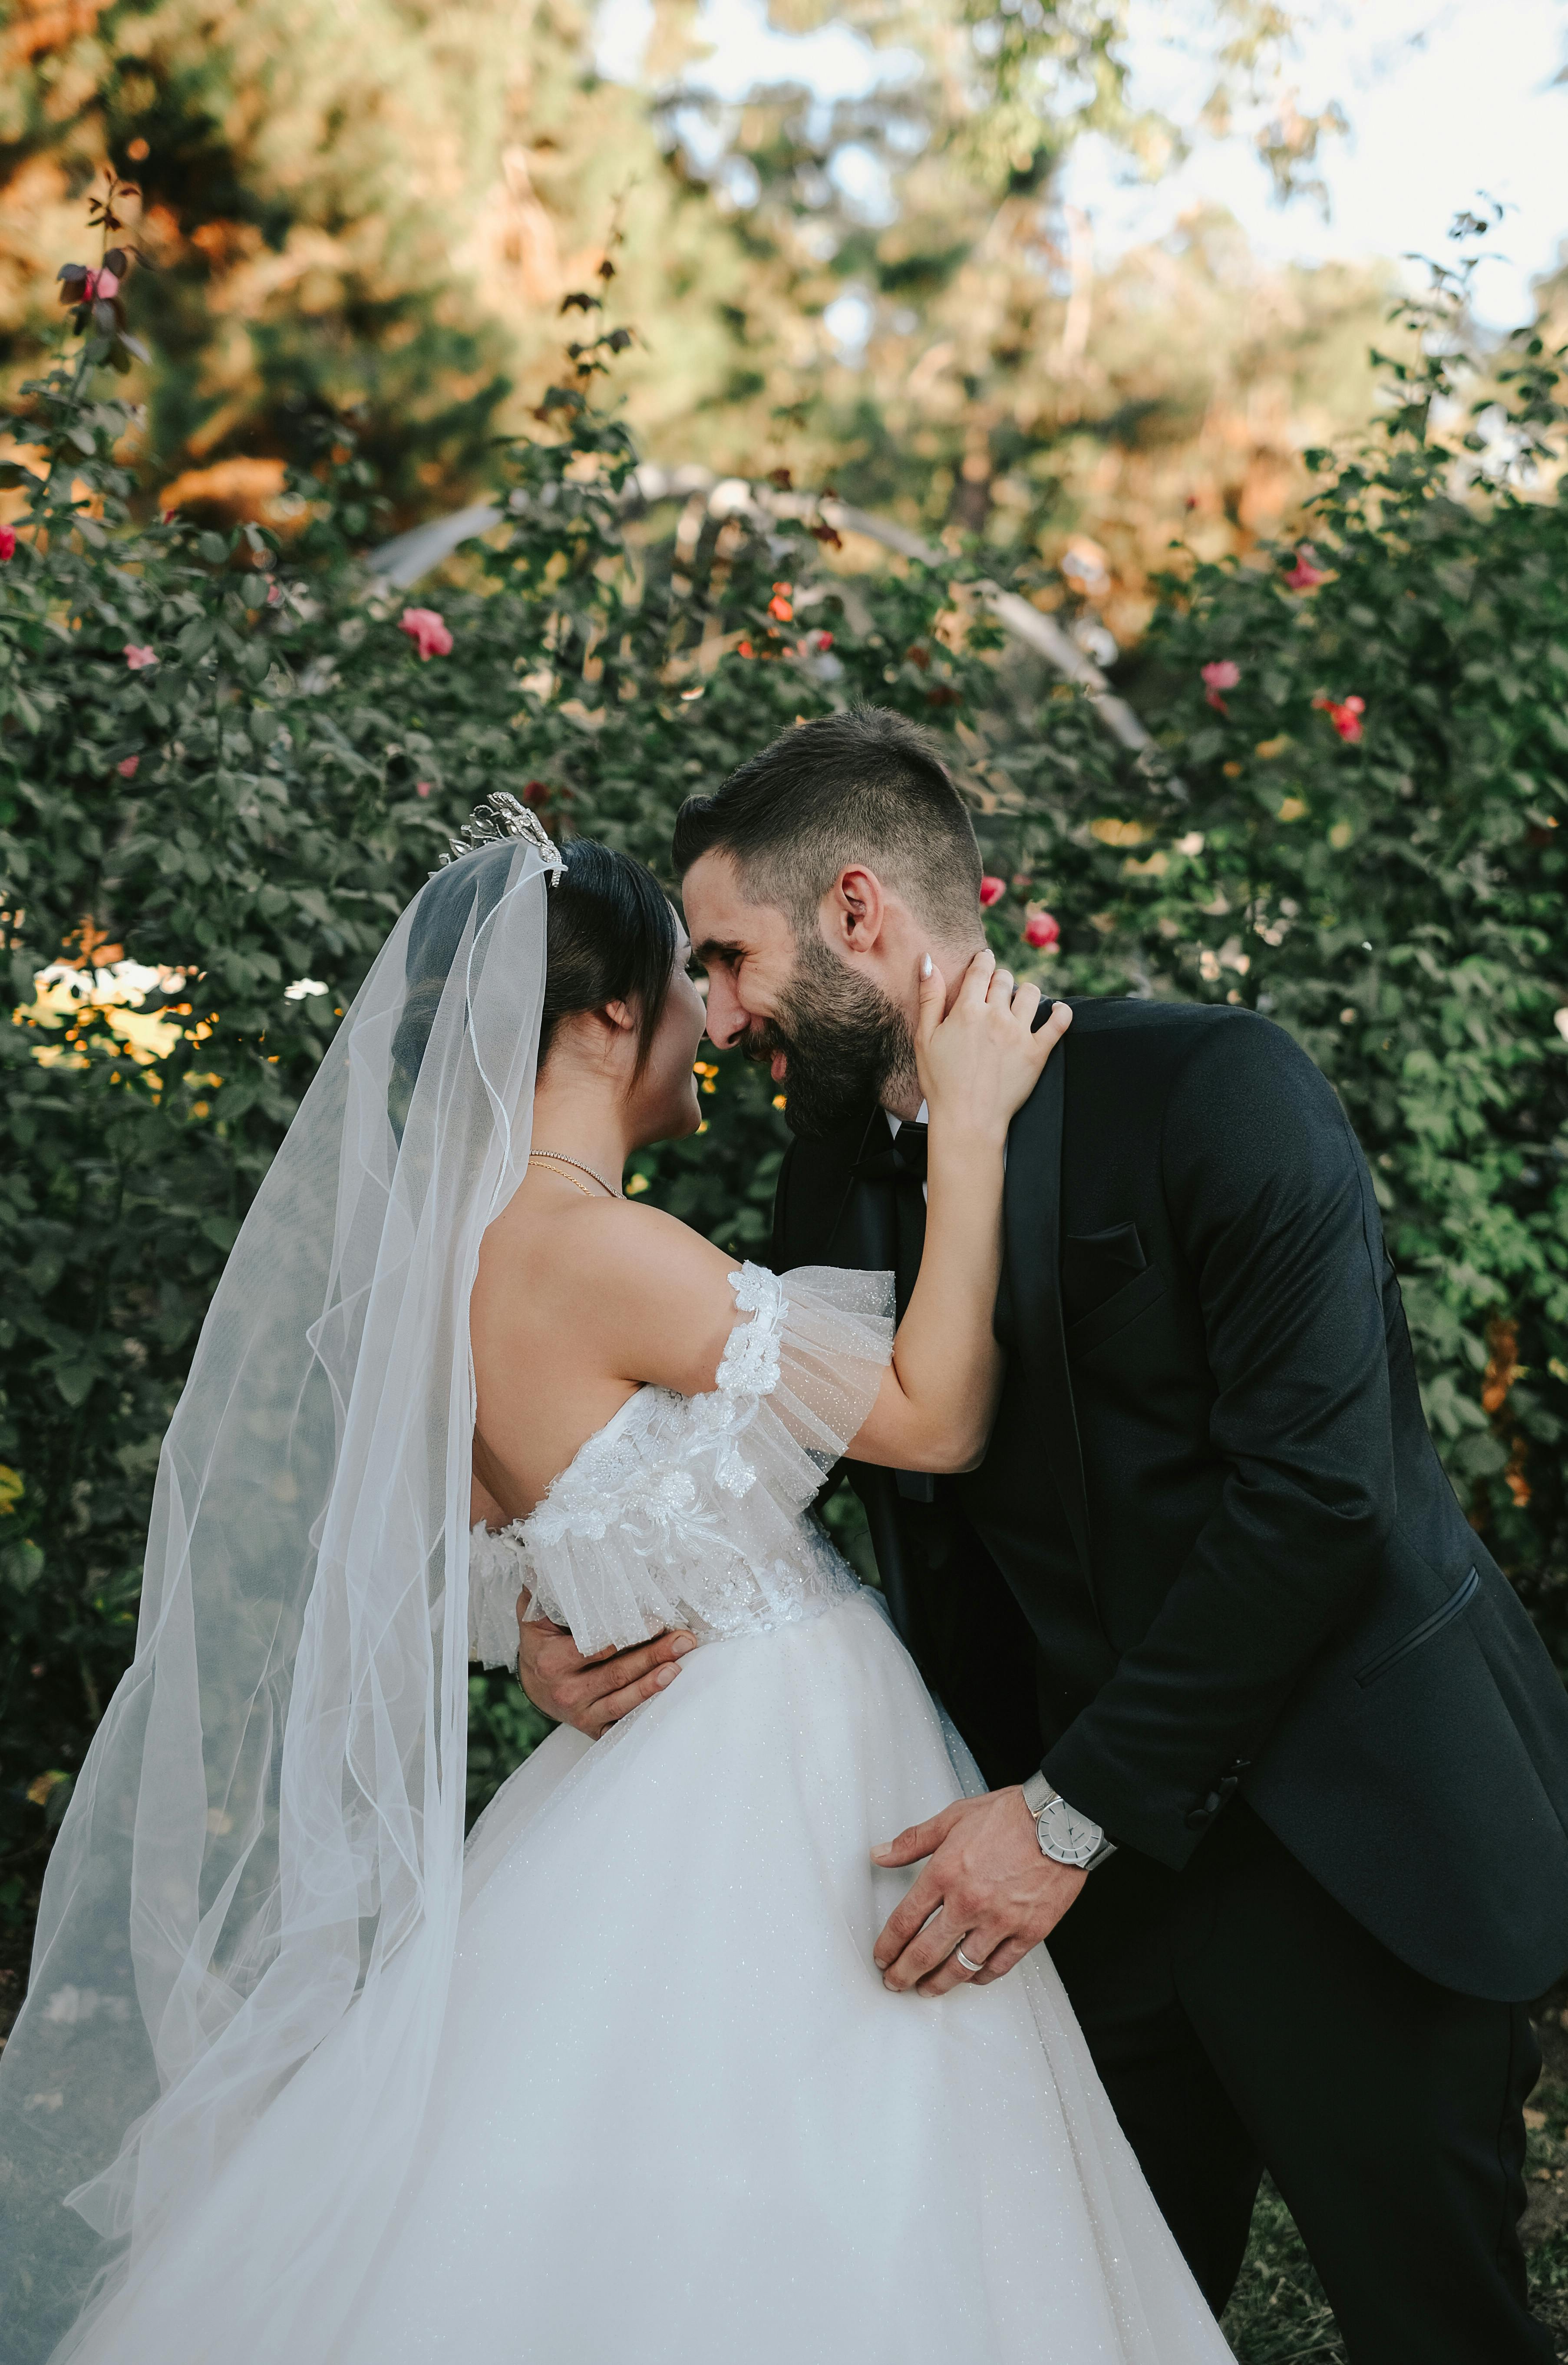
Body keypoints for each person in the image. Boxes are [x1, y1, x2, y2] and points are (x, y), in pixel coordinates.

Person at [0, 797, 1234, 2365]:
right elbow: (940, 1415)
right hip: (765, 1771)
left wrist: (525, 1631)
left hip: (648, 1752)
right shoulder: (591, 1245)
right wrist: (975, 1131)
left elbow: (428, 1542)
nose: (712, 1024)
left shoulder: (449, 1258)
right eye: (684, 986)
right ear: (603, 1016)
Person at [528, 706, 1568, 2365]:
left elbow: (1318, 1497)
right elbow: (801, 1482)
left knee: (1438, 2329)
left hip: (1342, 1840)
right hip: (1059, 1891)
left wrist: (1068, 1817)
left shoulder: (1213, 1090)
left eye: (728, 959)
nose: (713, 1019)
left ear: (857, 913)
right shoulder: (830, 1183)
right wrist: (570, 1607)